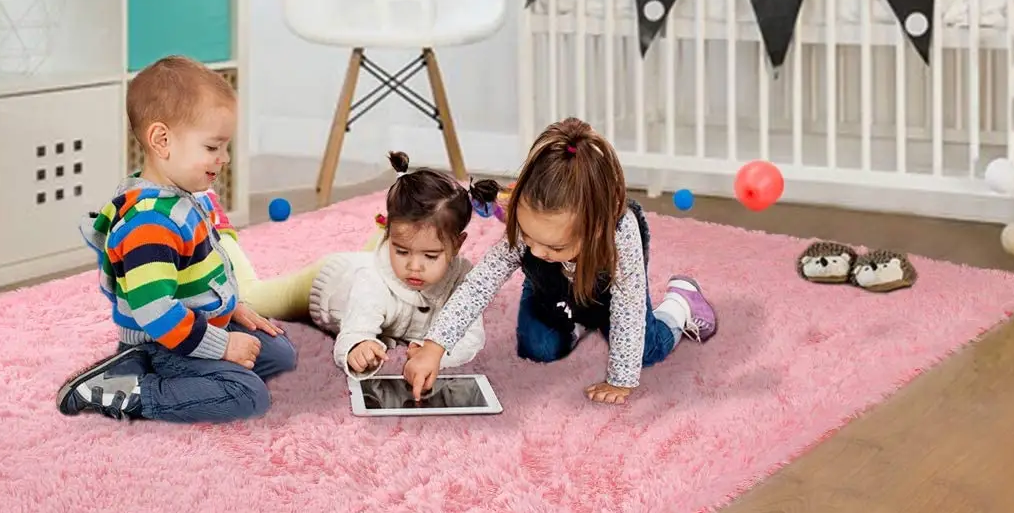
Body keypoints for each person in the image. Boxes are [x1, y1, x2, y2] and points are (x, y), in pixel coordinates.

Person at [404, 118, 717, 405]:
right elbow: (479, 285)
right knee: (538, 347)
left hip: (607, 294)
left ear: (595, 229)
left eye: (554, 246)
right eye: (529, 237)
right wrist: (435, 345)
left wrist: (620, 381)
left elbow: (629, 308)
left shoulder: (619, 232)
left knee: (644, 350)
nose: (537, 251)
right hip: (552, 290)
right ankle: (578, 317)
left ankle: (681, 303)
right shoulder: (529, 220)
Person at [56, 56, 296, 424]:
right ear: (162, 141)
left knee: (280, 354)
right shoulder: (149, 223)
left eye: (225, 147)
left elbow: (200, 272)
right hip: (163, 341)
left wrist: (230, 308)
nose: (224, 159)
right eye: (212, 148)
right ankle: (131, 389)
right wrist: (224, 345)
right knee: (249, 395)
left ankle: (198, 371)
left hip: (198, 321)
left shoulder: (183, 197)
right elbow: (155, 312)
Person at [227, 152, 492, 376]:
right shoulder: (371, 281)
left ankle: (382, 243)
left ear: (457, 245)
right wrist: (358, 346)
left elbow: (470, 337)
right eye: (402, 251)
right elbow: (353, 332)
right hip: (327, 283)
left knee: (381, 259)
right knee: (252, 297)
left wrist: (435, 355)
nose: (414, 266)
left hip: (368, 266)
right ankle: (223, 234)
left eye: (430, 256)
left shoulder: (463, 281)